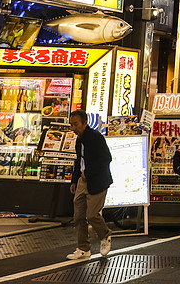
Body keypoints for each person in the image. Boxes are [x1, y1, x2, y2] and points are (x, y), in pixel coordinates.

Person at [66, 110, 112, 260]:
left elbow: (106, 158)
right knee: (78, 216)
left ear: (85, 123)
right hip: (82, 181)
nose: (73, 128)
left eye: (76, 124)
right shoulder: (79, 140)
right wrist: (74, 180)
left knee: (92, 215)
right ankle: (83, 248)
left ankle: (105, 235)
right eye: (71, 124)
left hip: (97, 181)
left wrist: (88, 172)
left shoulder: (96, 138)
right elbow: (78, 160)